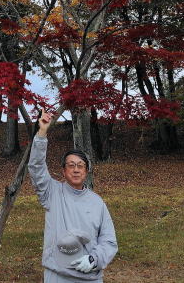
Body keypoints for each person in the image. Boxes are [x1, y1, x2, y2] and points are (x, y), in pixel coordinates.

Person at [28, 109, 118, 283]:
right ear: (63, 171)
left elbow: (109, 241)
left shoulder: (97, 203)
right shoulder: (52, 193)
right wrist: (42, 133)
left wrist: (94, 260)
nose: (76, 169)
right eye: (71, 165)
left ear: (86, 171)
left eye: (80, 165)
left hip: (90, 277)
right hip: (57, 276)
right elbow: (36, 168)